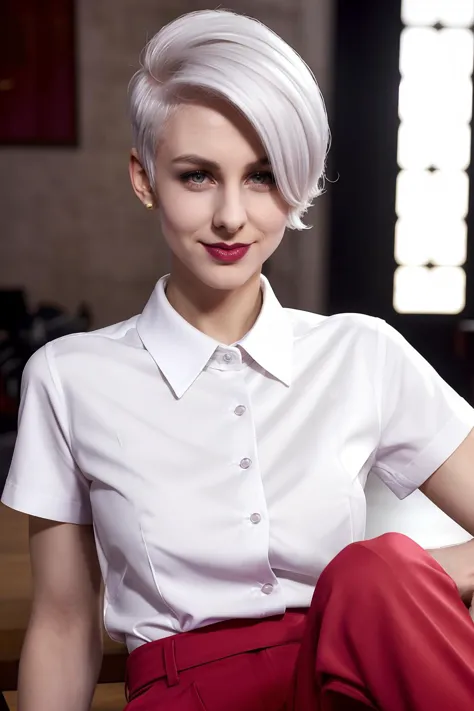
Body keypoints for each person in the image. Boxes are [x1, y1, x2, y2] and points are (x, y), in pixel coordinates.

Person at [2, 8, 474, 711]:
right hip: (183, 691)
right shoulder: (69, 378)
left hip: (348, 680)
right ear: (144, 178)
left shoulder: (362, 352)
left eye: (262, 176)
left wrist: (385, 586)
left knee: (376, 570)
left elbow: (386, 588)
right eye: (197, 176)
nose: (231, 217)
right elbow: (66, 620)